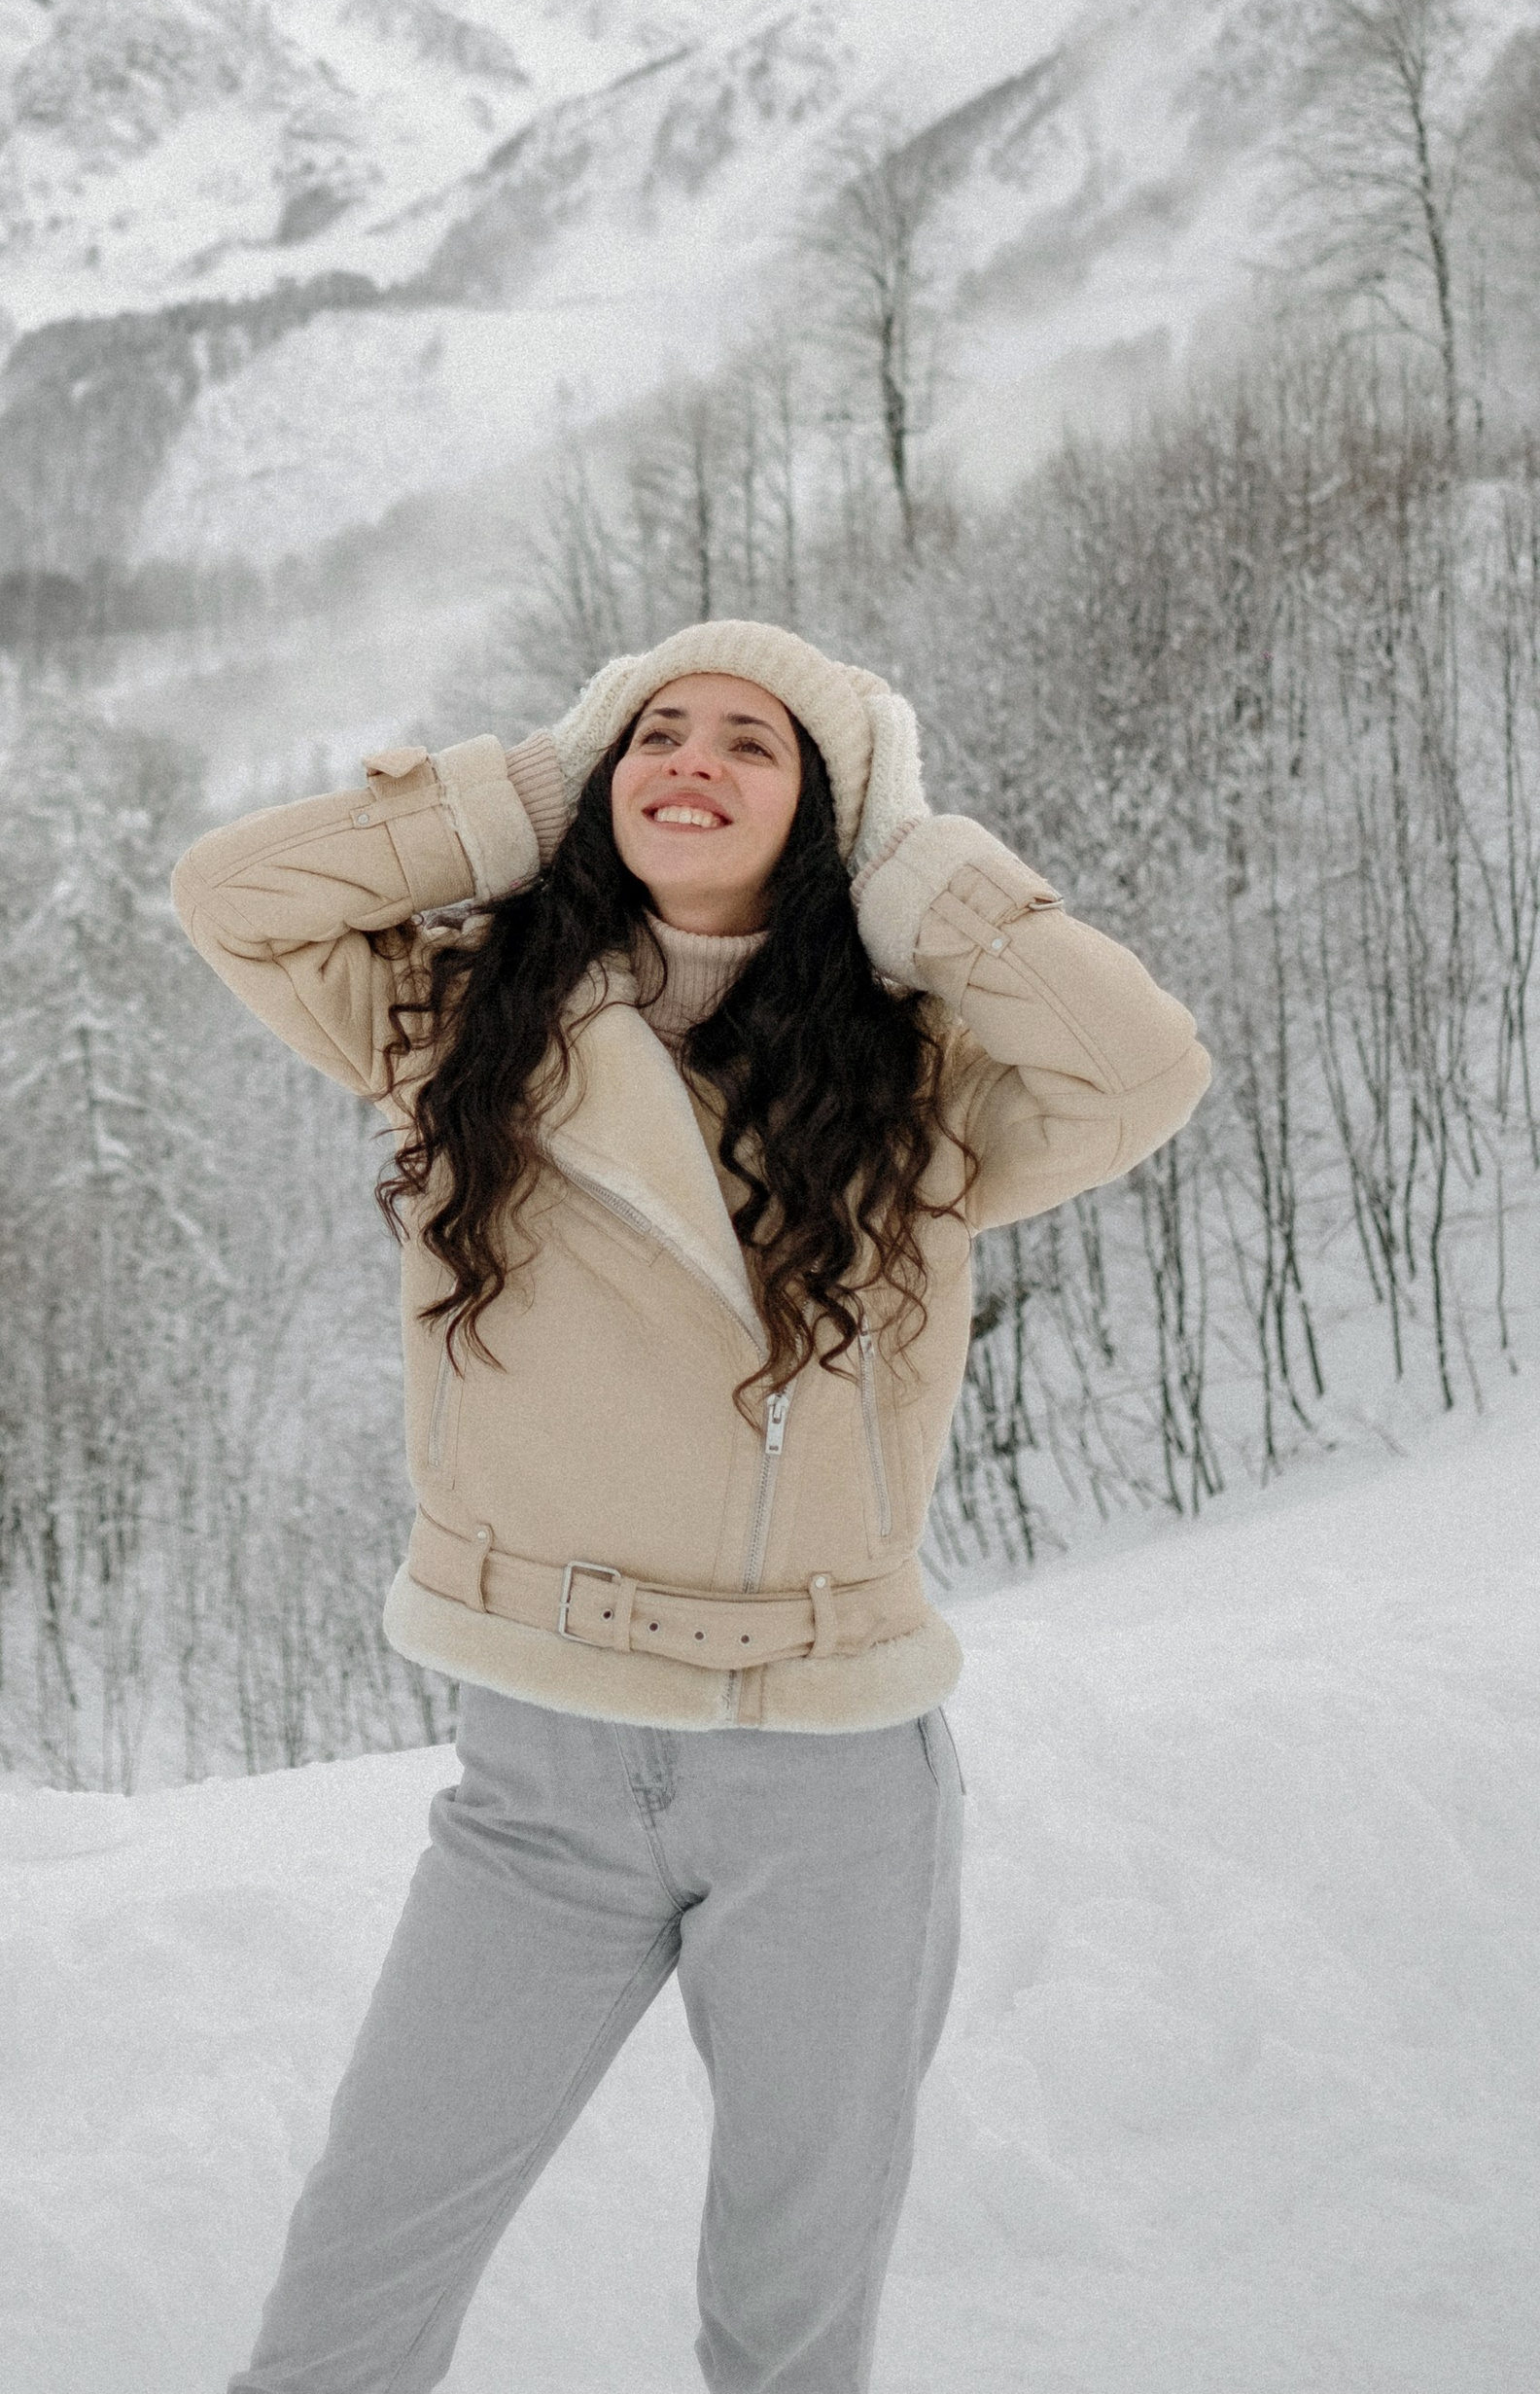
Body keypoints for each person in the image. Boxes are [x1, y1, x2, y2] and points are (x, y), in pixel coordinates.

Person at [172, 618, 1209, 2394]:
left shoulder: (924, 1075)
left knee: (789, 2312)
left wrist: (924, 882)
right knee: (362, 2269)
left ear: (827, 821)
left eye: (757, 742)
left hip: (830, 1777)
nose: (693, 761)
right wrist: (508, 802)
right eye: (654, 731)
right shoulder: (460, 1022)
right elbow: (233, 894)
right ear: (599, 780)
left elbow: (1144, 1072)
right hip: (544, 1771)